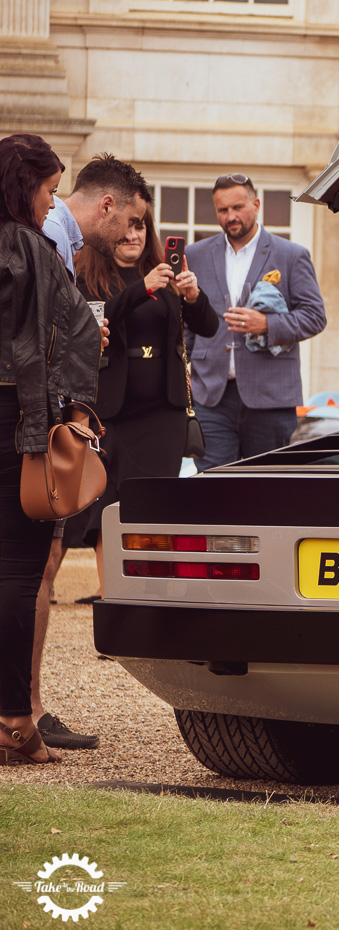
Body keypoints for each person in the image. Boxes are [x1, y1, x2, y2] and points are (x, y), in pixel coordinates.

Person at [35, 150, 149, 752]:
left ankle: (26, 708)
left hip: (51, 415)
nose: (131, 235)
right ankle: (22, 711)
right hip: (38, 421)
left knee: (42, 562)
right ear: (105, 204)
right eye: (128, 222)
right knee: (36, 565)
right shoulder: (52, 233)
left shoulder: (58, 236)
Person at [0, 134, 103, 766]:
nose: (53, 203)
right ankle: (14, 721)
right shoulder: (35, 252)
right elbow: (78, 334)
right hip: (18, 424)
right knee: (15, 569)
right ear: (23, 186)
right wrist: (76, 409)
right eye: (48, 190)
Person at [64, 207, 218, 598]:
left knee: (153, 507)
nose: (134, 234)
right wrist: (143, 288)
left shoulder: (167, 273)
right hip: (110, 413)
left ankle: (150, 598)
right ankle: (113, 597)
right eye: (126, 227)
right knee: (108, 507)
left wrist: (193, 296)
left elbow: (209, 327)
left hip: (162, 414)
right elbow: (93, 320)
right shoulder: (90, 275)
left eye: (140, 226)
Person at [185, 172, 326, 469]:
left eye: (238, 207)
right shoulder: (195, 254)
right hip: (211, 396)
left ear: (256, 204)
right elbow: (186, 318)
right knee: (211, 488)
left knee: (267, 489)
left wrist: (268, 325)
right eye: (222, 210)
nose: (230, 216)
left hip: (271, 397)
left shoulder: (291, 255)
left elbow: (315, 316)